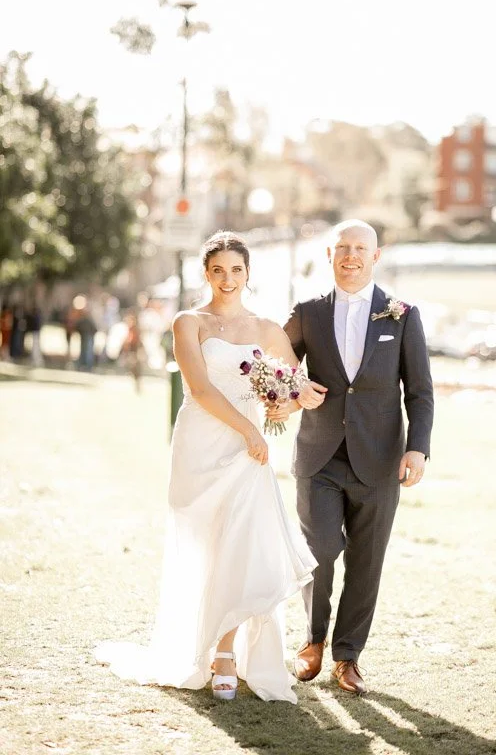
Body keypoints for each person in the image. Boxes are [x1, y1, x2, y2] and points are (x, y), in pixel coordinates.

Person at [95, 231, 318, 703]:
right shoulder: (188, 322)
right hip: (202, 442)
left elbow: (300, 387)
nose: (227, 279)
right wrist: (250, 429)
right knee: (207, 542)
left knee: (242, 542)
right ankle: (198, 644)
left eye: (236, 270)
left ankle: (225, 652)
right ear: (206, 274)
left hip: (249, 453)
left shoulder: (267, 329)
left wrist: (284, 406)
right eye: (218, 270)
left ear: (248, 273)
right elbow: (199, 389)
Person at [279, 219, 434, 694]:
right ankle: (312, 641)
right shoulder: (307, 312)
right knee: (320, 550)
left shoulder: (402, 315)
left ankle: (347, 657)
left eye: (360, 248)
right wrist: (294, 389)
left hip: (380, 460)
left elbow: (420, 390)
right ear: (329, 255)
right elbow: (276, 366)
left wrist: (417, 448)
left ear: (375, 256)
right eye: (342, 247)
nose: (351, 256)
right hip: (319, 457)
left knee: (367, 561)